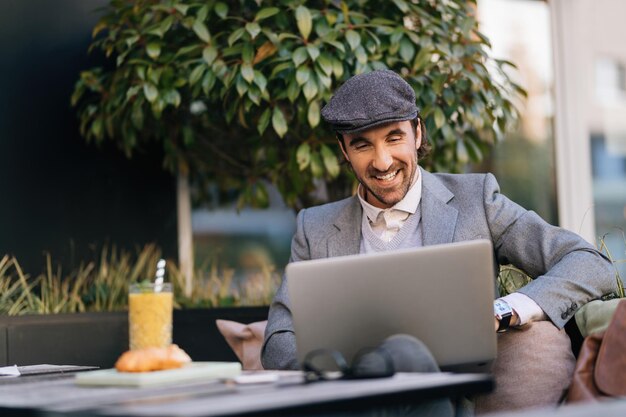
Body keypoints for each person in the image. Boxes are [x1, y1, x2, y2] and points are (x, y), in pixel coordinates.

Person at [261, 70, 617, 405]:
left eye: (394, 137)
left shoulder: (476, 201)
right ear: (344, 151)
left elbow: (589, 263)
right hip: (351, 403)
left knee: (406, 352)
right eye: (362, 145)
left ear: (417, 133)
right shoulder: (315, 227)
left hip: (449, 402)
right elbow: (278, 340)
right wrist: (334, 378)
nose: (382, 162)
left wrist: (503, 310)